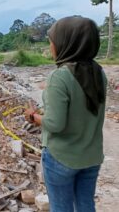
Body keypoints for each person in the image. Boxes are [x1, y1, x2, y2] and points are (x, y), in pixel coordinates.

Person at [25, 16, 107, 212]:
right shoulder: (99, 72)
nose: (51, 47)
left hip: (62, 157)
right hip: (91, 156)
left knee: (61, 208)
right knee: (86, 205)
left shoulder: (60, 76)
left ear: (67, 44)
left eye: (52, 42)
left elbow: (55, 124)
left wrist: (33, 116)